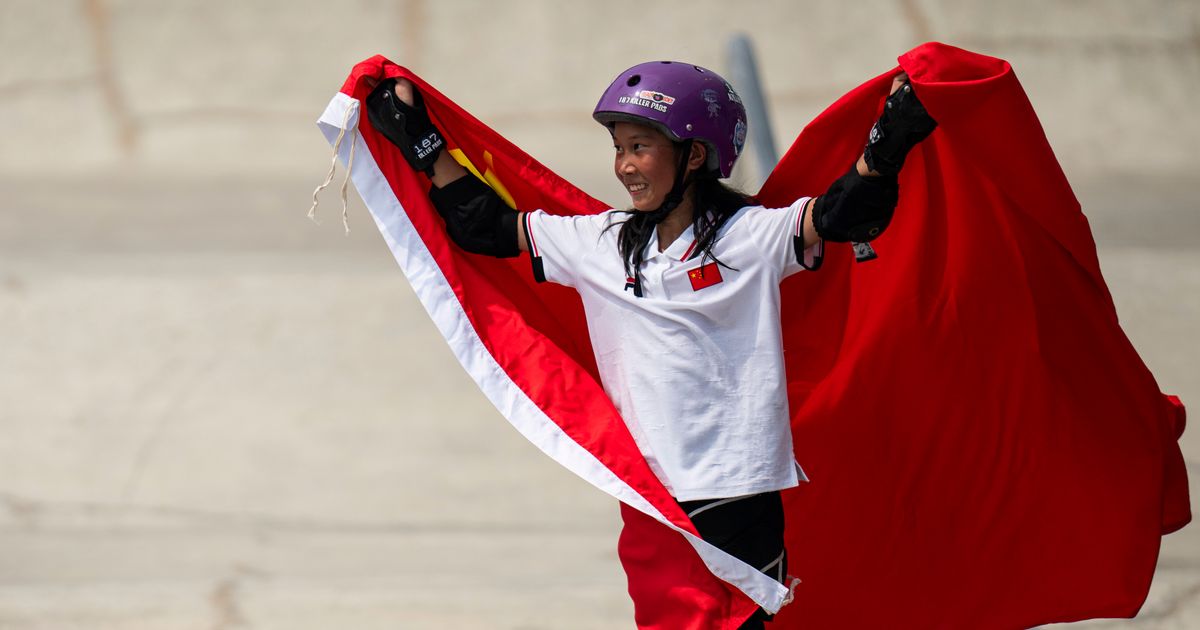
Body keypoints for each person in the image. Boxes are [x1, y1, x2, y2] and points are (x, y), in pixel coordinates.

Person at [364, 61, 935, 628]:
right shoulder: (600, 242)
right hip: (651, 499)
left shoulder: (751, 236)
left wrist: (887, 143)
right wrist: (423, 144)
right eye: (619, 149)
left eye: (640, 147)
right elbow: (486, 228)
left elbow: (845, 213)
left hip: (736, 492)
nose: (625, 167)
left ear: (694, 155)